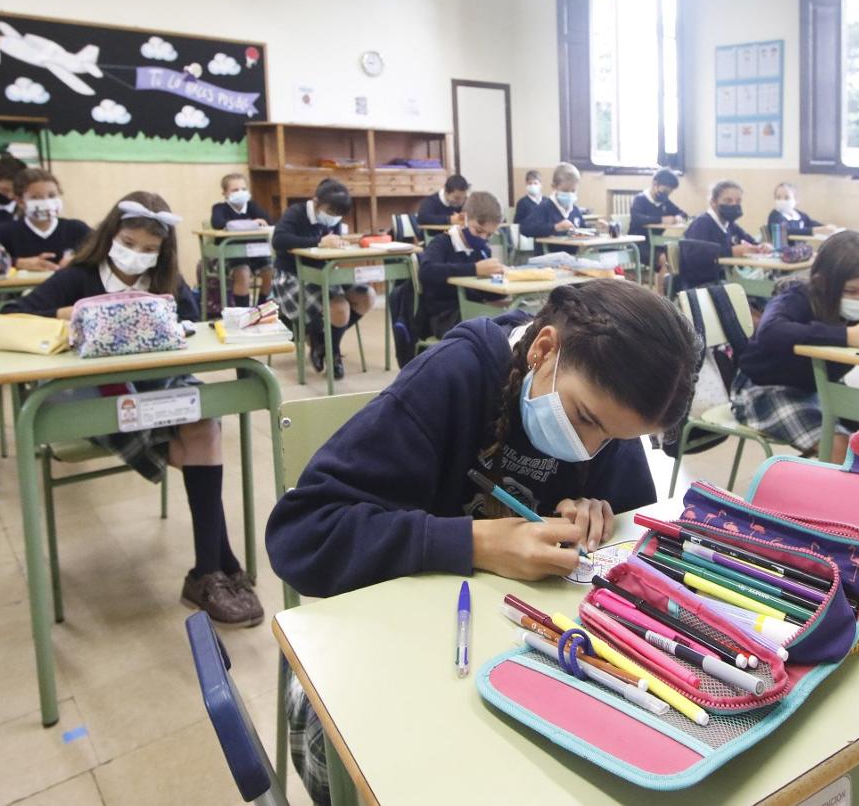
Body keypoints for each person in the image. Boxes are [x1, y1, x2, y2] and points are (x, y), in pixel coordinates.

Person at [268, 278, 699, 803]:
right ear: (543, 350)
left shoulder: (605, 412)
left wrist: (596, 514)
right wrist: (476, 543)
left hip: (509, 653)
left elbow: (626, 549)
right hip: (387, 641)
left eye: (612, 439)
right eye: (585, 419)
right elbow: (303, 534)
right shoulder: (456, 374)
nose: (591, 450)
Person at [1, 192, 263, 625]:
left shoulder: (165, 282)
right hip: (94, 392)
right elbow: (12, 317)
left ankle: (208, 571)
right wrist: (74, 314)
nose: (136, 255)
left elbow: (193, 329)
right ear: (109, 235)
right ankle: (221, 563)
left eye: (149, 249)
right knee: (199, 437)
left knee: (203, 421)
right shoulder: (79, 277)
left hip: (158, 385)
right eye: (128, 242)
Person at [732, 230, 859, 472]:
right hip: (766, 389)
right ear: (823, 282)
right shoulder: (796, 297)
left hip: (824, 387)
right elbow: (771, 331)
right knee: (841, 449)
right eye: (851, 291)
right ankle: (840, 503)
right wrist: (847, 336)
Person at [271, 178, 372, 379]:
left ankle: (322, 342)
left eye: (339, 215)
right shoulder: (297, 213)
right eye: (331, 212)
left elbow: (329, 246)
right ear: (316, 201)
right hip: (292, 275)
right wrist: (318, 241)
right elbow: (279, 240)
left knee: (366, 296)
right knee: (339, 307)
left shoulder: (333, 221)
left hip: (324, 273)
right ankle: (332, 353)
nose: (334, 218)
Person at [418, 190, 507, 338]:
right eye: (479, 231)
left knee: (511, 324)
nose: (483, 238)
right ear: (463, 219)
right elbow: (426, 271)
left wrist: (500, 282)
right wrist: (475, 269)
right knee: (490, 333)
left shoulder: (482, 250)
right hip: (445, 315)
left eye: (489, 235)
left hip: (474, 311)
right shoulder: (442, 243)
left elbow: (483, 292)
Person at [0, 168, 90, 271]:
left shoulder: (77, 229)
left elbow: (103, 252)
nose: (46, 202)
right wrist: (17, 262)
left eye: (52, 195)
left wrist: (78, 259)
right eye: (36, 197)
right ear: (20, 201)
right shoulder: (5, 232)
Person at [681, 179, 771, 290]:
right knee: (759, 292)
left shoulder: (730, 225)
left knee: (766, 289)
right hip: (701, 284)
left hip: (725, 279)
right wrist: (732, 252)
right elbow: (694, 256)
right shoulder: (702, 223)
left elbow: (751, 241)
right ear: (713, 202)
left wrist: (762, 246)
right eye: (728, 201)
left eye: (738, 201)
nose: (734, 205)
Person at [205, 172, 273, 309]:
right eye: (235, 190)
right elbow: (218, 223)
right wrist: (252, 223)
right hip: (230, 256)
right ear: (225, 193)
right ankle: (243, 313)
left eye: (243, 189)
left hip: (255, 253)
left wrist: (248, 223)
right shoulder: (219, 208)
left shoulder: (253, 206)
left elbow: (268, 222)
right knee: (243, 272)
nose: (240, 193)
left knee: (271, 272)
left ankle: (261, 308)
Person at [518, 162, 607, 251]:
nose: (569, 194)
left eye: (573, 191)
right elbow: (525, 228)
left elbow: (581, 229)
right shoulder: (544, 207)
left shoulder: (574, 210)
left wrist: (595, 228)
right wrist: (555, 227)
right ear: (554, 187)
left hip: (572, 258)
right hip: (549, 258)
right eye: (565, 190)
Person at [628, 167, 689, 290]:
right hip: (641, 244)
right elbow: (637, 218)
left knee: (677, 256)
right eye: (665, 191)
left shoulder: (664, 202)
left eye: (669, 193)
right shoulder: (640, 199)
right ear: (655, 184)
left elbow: (683, 214)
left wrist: (677, 218)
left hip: (657, 244)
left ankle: (670, 292)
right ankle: (662, 295)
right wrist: (661, 219)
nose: (666, 195)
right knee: (667, 259)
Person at [766, 182, 836, 242]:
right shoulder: (775, 216)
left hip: (801, 251)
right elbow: (787, 231)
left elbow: (811, 223)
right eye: (778, 197)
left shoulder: (799, 215)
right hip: (783, 253)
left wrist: (825, 227)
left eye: (787, 197)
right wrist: (813, 230)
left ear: (796, 200)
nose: (782, 200)